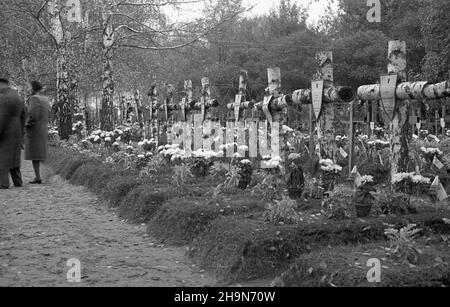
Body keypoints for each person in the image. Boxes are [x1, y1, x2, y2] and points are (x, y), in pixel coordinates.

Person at [0, 77, 25, 189]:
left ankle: (3, 183)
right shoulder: (17, 96)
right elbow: (24, 114)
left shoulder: (5, 98)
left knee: (3, 157)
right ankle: (18, 181)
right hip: (17, 128)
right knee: (15, 157)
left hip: (7, 130)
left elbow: (2, 117)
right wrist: (22, 128)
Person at [24, 81, 50, 184]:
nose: (28, 89)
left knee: (35, 154)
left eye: (29, 87)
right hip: (42, 128)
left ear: (33, 88)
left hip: (34, 129)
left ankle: (38, 176)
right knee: (40, 152)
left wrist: (27, 124)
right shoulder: (45, 99)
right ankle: (41, 175)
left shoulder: (34, 99)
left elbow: (33, 115)